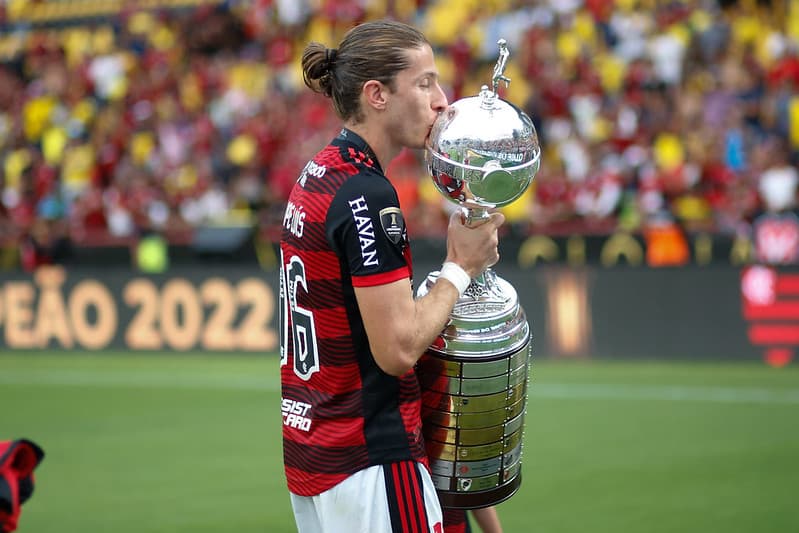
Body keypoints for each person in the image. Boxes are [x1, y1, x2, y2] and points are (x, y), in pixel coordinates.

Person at [279, 19, 504, 533]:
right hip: (370, 459)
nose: (443, 100)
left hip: (316, 458)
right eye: (424, 82)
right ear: (376, 94)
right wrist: (460, 266)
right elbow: (398, 348)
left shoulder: (319, 172)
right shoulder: (366, 192)